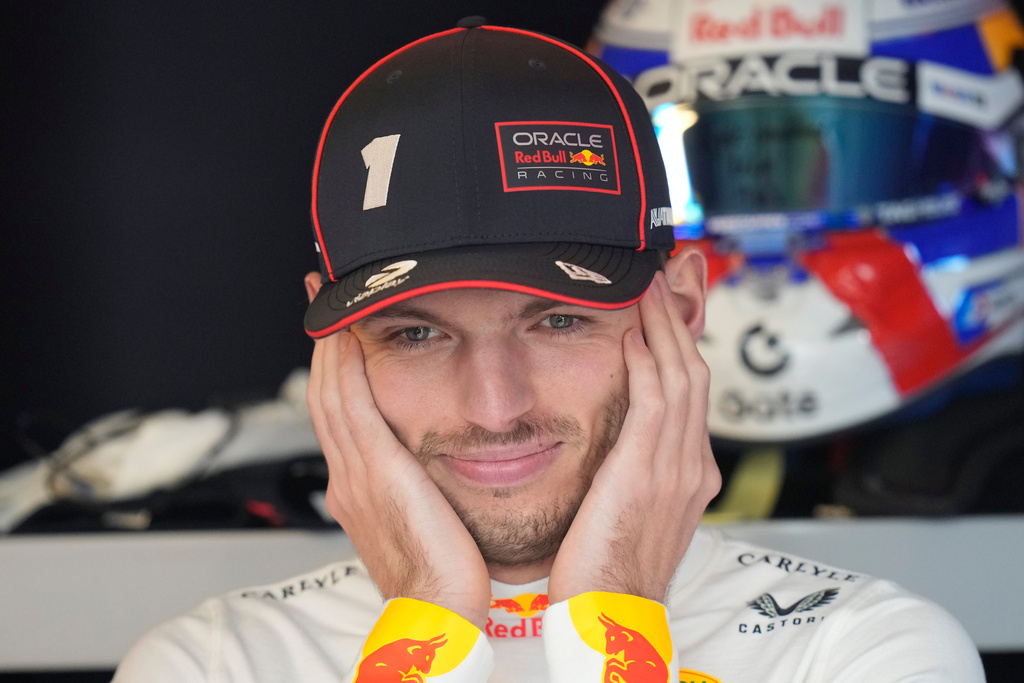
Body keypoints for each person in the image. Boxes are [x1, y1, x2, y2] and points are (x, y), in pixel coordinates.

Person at [113, 19, 984, 682]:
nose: (495, 405)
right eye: (416, 333)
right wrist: (424, 624)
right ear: (337, 349)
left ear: (679, 309)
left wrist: (614, 616)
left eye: (559, 319)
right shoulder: (214, 664)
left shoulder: (863, 650)